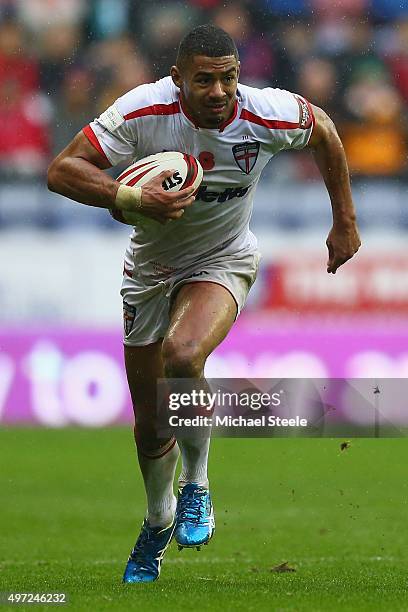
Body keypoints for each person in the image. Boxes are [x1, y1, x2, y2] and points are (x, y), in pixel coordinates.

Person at [47, 24, 361, 583]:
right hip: (147, 274)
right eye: (205, 81)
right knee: (149, 423)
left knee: (184, 356)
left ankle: (197, 487)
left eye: (229, 78)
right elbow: (62, 170)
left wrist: (344, 221)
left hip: (223, 259)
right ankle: (158, 517)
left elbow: (327, 131)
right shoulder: (144, 110)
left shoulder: (266, 113)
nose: (220, 92)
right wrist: (128, 195)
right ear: (178, 81)